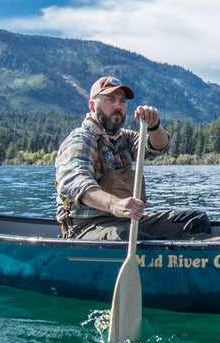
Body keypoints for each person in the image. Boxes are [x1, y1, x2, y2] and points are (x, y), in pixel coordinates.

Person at [55, 76, 211, 240]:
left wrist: (153, 125)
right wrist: (115, 205)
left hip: (126, 221)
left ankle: (189, 260)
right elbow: (75, 183)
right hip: (87, 227)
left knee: (195, 220)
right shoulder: (81, 140)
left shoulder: (124, 138)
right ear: (92, 105)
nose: (118, 106)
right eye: (110, 100)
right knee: (133, 238)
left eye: (122, 101)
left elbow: (158, 146)